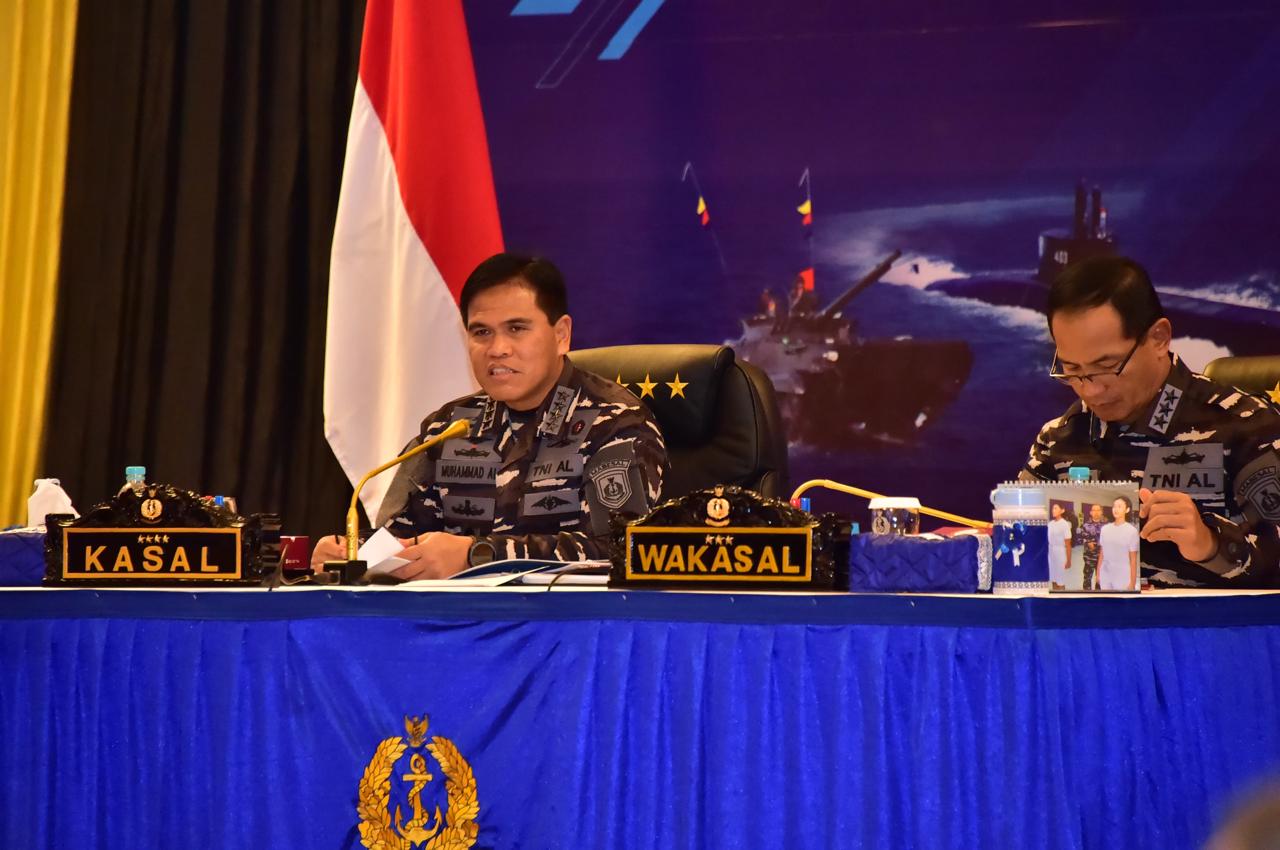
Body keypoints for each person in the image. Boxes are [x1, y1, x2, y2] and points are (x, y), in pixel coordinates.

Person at [312, 253, 670, 579]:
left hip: (567, 622)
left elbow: (623, 549)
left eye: (517, 329)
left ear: (561, 335)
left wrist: (477, 555)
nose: (497, 349)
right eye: (481, 332)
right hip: (457, 621)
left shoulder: (616, 422)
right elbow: (403, 539)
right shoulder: (449, 426)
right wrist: (354, 553)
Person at [1023, 256, 1280, 587]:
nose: (1091, 389)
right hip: (1085, 621)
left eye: (1107, 366)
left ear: (1159, 338)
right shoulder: (1059, 438)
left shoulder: (1247, 426)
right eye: (1072, 370)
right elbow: (1020, 555)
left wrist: (1210, 544)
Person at [1098, 496, 1139, 591]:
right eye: (1114, 506)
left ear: (1127, 509)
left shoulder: (1132, 531)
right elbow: (1102, 553)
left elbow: (1133, 560)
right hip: (1106, 574)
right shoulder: (1105, 529)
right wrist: (1099, 573)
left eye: (1119, 506)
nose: (1116, 509)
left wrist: (1132, 582)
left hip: (1123, 575)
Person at [1076, 503, 1106, 591]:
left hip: (1102, 558)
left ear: (1101, 512)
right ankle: (1087, 597)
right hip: (1089, 557)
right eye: (1094, 510)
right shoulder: (1085, 525)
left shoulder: (1106, 526)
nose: (1096, 512)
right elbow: (1079, 539)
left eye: (1098, 510)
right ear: (1090, 512)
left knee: (1100, 580)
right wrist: (1087, 542)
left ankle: (1098, 597)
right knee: (1087, 579)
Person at [1047, 501, 1073, 590]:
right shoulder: (1050, 524)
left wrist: (1069, 560)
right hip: (1051, 553)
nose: (1053, 510)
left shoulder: (1065, 524)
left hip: (1060, 553)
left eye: (1056, 508)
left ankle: (1062, 596)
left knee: (1060, 580)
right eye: (1052, 508)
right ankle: (1055, 596)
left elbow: (1068, 545)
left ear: (1062, 510)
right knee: (1053, 579)